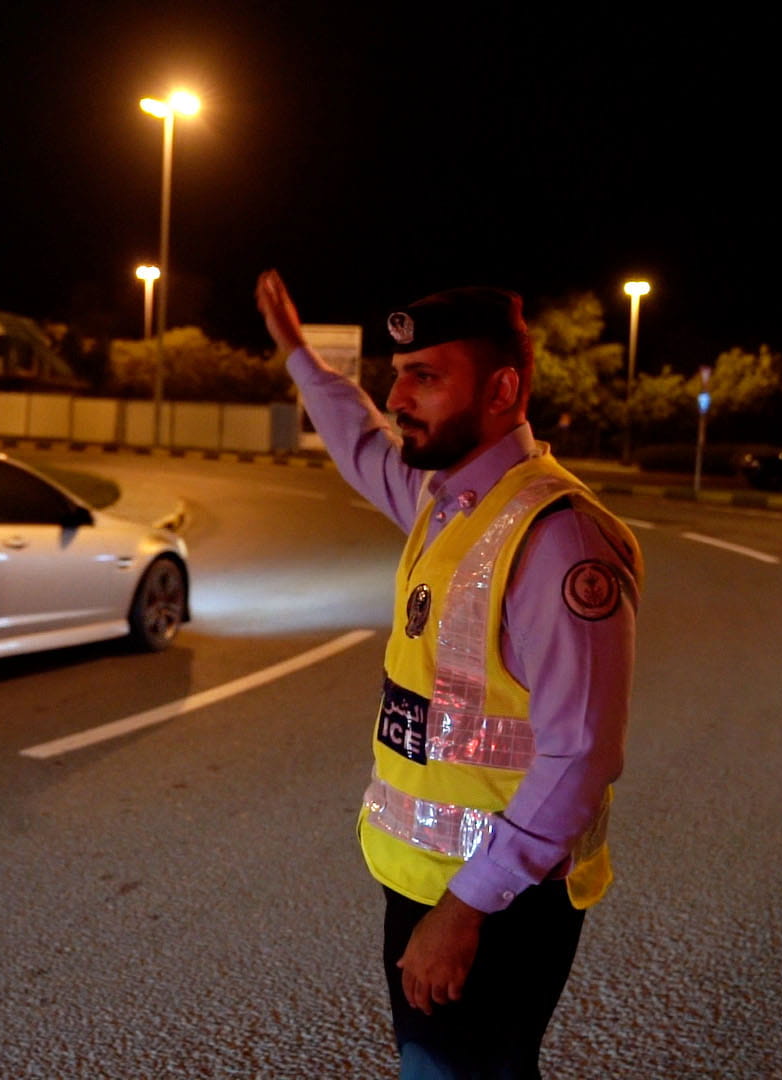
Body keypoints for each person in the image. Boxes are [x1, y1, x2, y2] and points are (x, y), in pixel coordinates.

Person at [255, 270, 643, 1079]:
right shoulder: (449, 501)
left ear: (503, 388)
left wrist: (464, 909)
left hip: (500, 901)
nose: (398, 397)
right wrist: (297, 354)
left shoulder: (558, 542)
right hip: (425, 881)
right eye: (398, 376)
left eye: (425, 377)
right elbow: (360, 444)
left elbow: (581, 757)